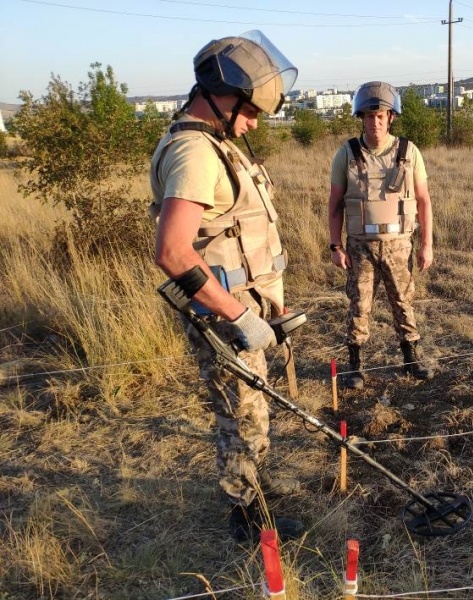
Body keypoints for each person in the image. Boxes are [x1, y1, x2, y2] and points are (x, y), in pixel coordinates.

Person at [149, 30, 304, 543]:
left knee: (254, 410)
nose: (255, 121)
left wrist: (268, 306)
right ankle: (247, 519)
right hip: (226, 318)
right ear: (220, 94)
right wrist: (239, 319)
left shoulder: (220, 147)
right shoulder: (194, 152)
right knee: (242, 417)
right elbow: (172, 252)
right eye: (251, 110)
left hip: (249, 312)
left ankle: (255, 493)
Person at [327, 81, 434, 389]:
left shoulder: (409, 152)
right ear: (361, 118)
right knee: (359, 304)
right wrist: (335, 245)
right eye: (369, 116)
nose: (374, 122)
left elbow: (424, 200)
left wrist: (426, 244)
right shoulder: (346, 154)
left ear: (391, 118)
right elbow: (334, 204)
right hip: (360, 248)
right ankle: (356, 366)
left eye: (381, 116)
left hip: (399, 246)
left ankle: (411, 360)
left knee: (403, 301)